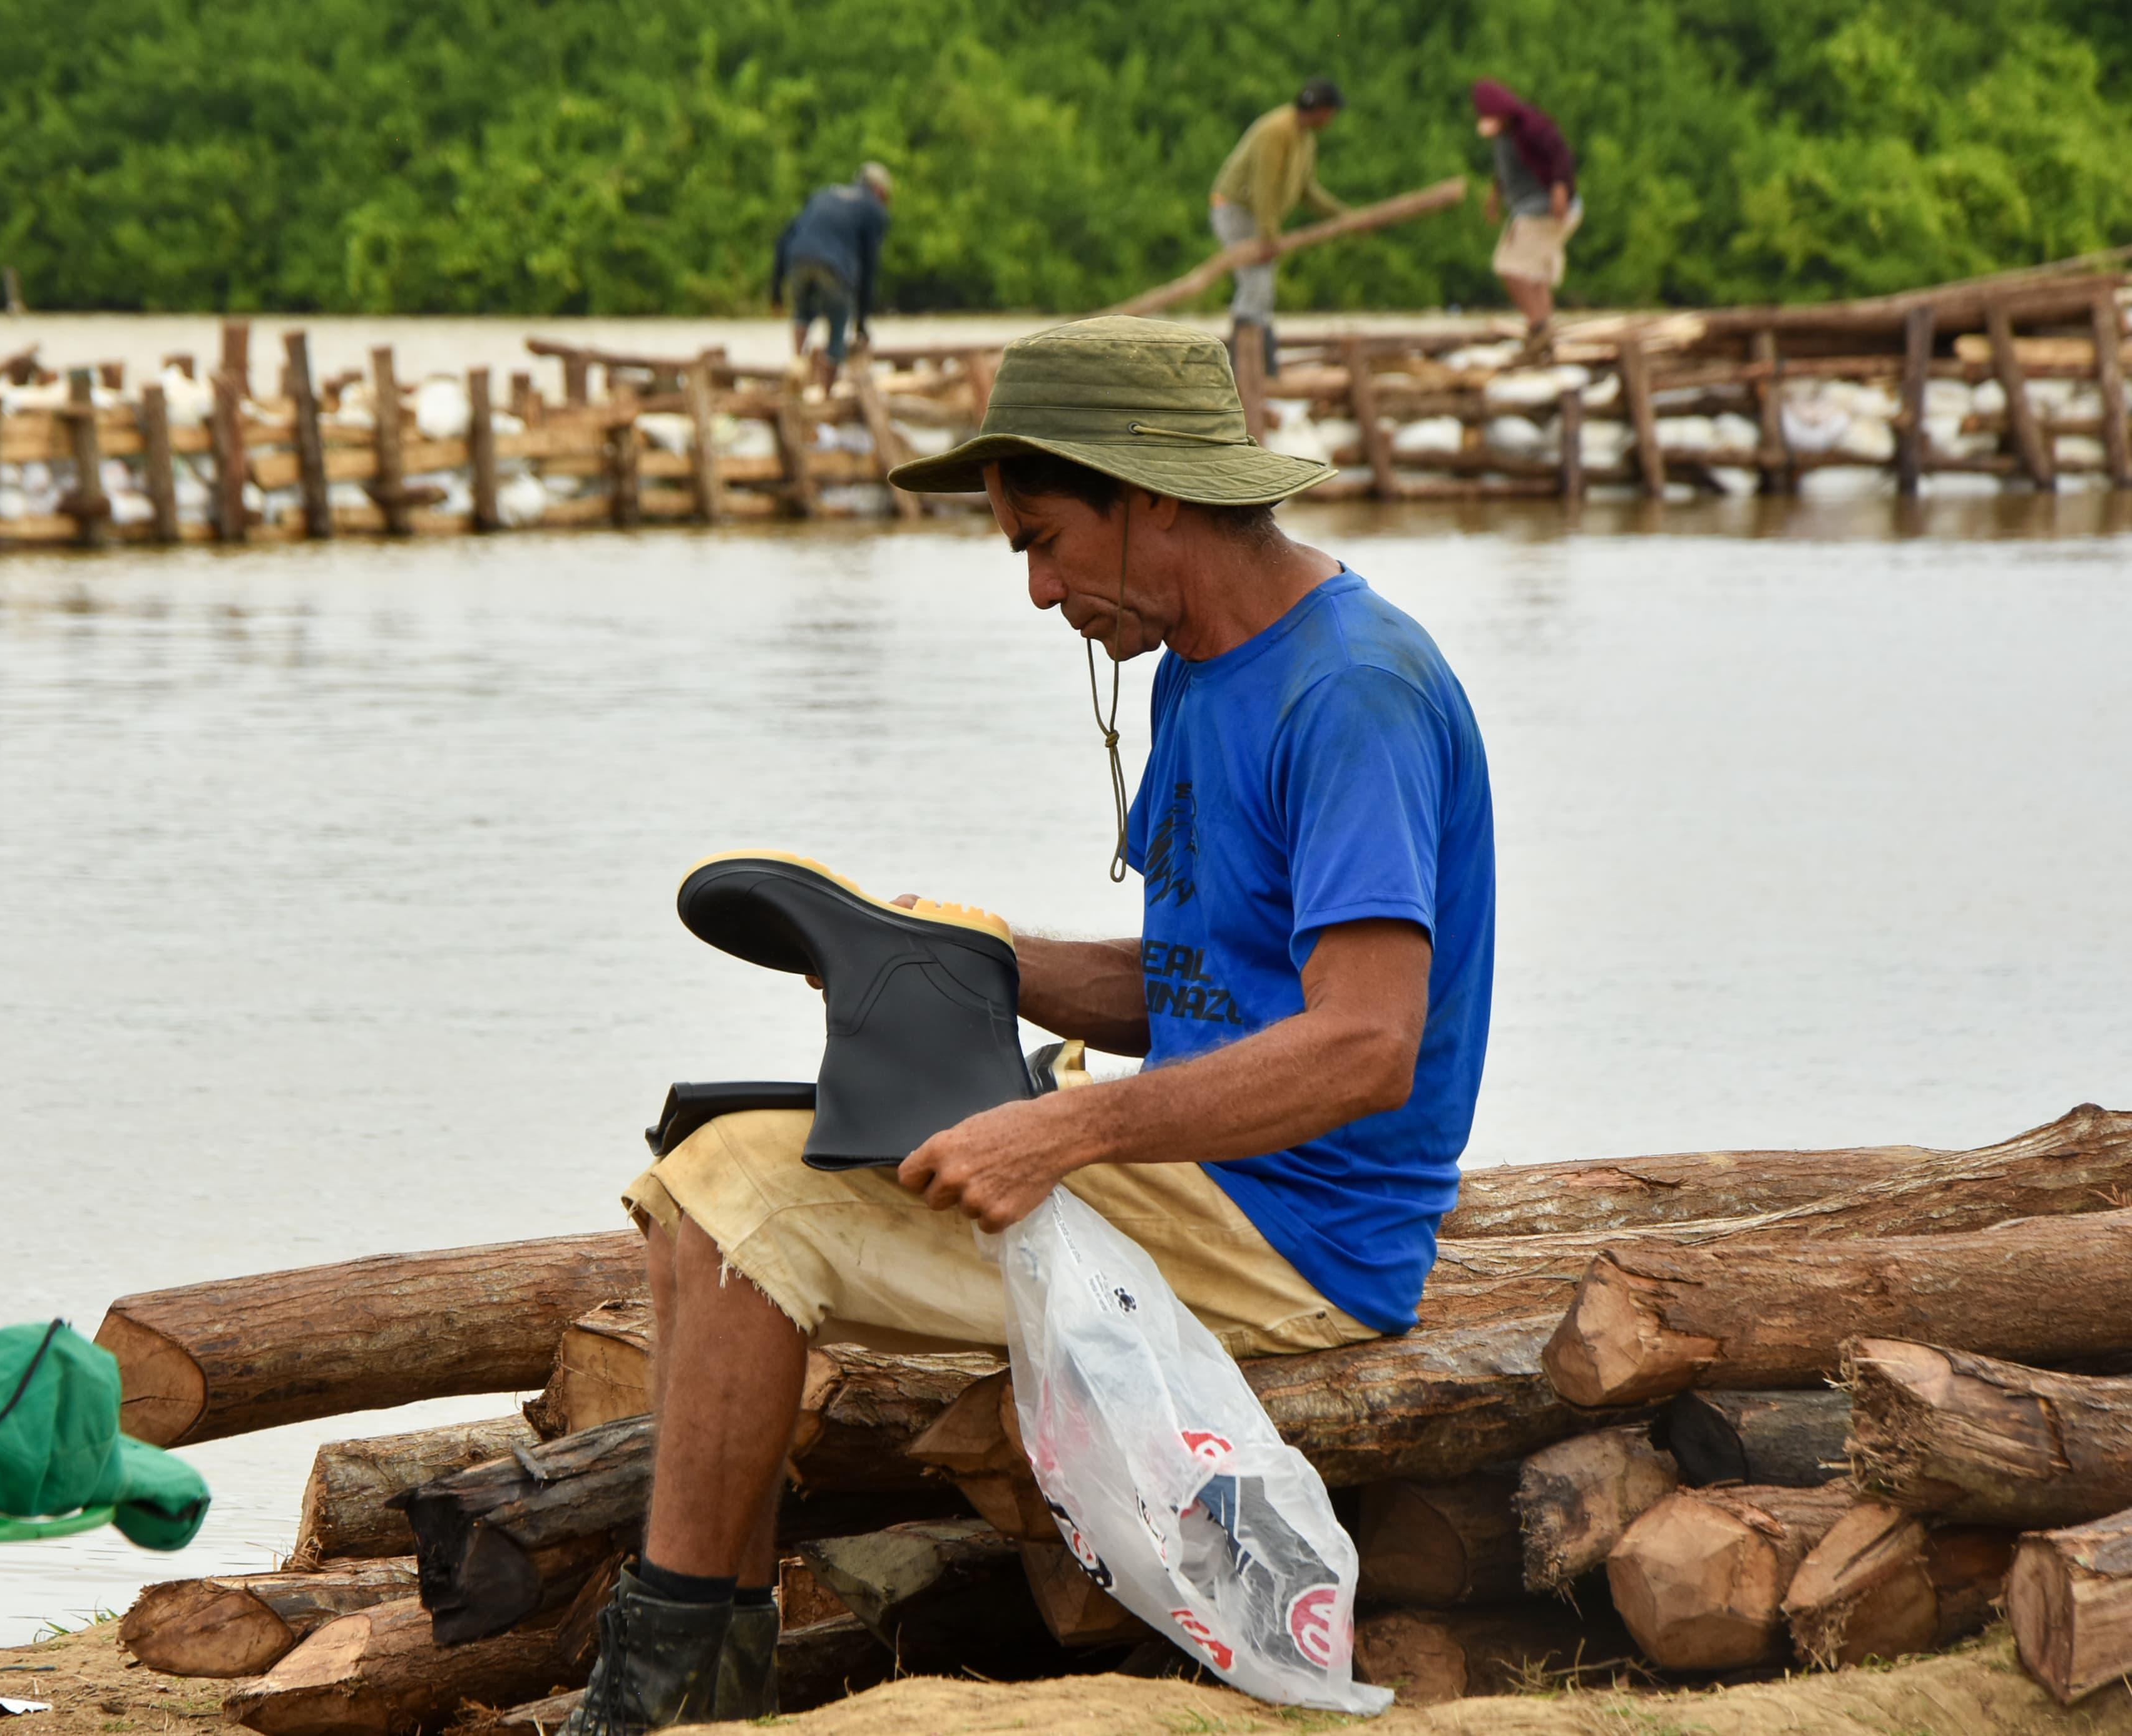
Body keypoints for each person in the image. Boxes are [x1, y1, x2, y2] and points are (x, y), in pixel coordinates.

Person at [564, 316, 1495, 1735]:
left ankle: (653, 1701)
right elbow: (1197, 981)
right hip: (1205, 1177)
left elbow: (1366, 1043)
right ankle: (703, 1686)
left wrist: (1062, 1128)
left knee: (739, 1200)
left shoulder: (1350, 688)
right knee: (711, 1154)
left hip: (1302, 1232)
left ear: (1158, 495)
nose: (1041, 588)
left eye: (1045, 541)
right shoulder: (1201, 663)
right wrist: (970, 963)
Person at [1208, 78, 1348, 384]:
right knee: (1256, 286)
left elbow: (1306, 190)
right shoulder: (1277, 131)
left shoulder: (1304, 138)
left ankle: (1255, 366)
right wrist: (1269, 235)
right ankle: (1246, 367)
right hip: (1236, 210)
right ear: (1321, 110)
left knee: (1261, 289)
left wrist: (1342, 215)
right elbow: (1263, 187)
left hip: (1256, 216)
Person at [1472, 79, 1581, 346]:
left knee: (1510, 267)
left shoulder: (1531, 126)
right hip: (1531, 210)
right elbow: (1508, 169)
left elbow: (1560, 153)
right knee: (1535, 274)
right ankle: (1545, 328)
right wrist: (1495, 195)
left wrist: (1559, 187)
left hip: (1545, 210)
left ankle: (1538, 327)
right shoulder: (1505, 135)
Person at [771, 163, 891, 391]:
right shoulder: (873, 210)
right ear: (879, 191)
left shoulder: (824, 194)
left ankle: (798, 372)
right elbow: (868, 266)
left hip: (797, 259)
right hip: (834, 268)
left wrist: (776, 289)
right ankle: (826, 395)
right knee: (838, 325)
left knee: (802, 314)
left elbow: (783, 240)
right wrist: (862, 321)